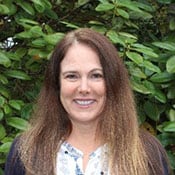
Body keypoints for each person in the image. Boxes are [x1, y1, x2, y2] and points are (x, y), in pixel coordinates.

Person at [5, 28, 171, 175]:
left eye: (96, 75)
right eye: (72, 76)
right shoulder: (25, 152)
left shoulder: (147, 152)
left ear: (112, 83)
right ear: (57, 83)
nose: (84, 88)